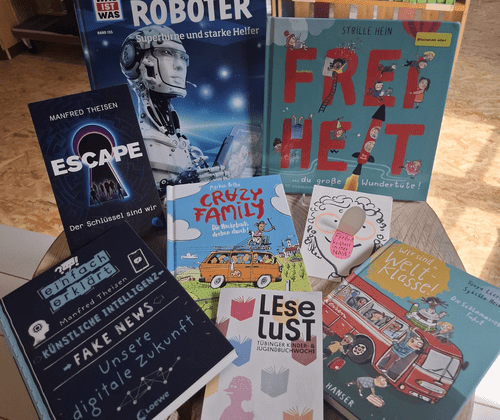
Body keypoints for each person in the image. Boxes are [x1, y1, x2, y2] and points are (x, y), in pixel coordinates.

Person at [120, 24, 228, 196]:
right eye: (166, 53)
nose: (179, 65)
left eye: (182, 57)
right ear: (134, 60)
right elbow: (125, 200)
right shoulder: (127, 145)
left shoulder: (190, 149)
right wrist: (174, 186)